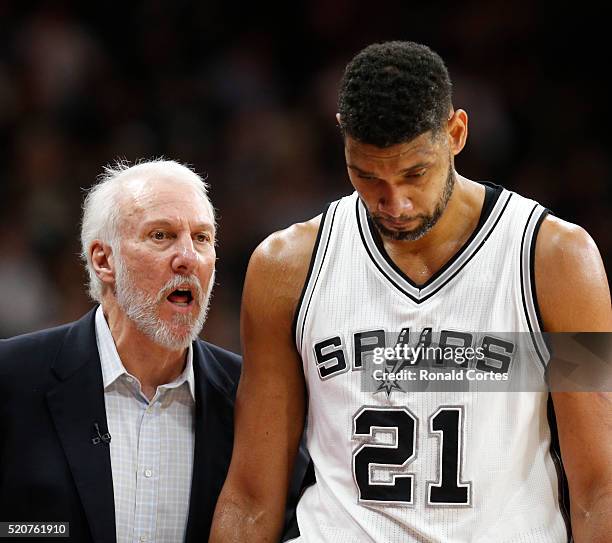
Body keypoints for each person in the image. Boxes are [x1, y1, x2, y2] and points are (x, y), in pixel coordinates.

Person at [210, 41, 612, 542]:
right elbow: (251, 495)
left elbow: (600, 484)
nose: (394, 202)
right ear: (343, 142)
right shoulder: (285, 269)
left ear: (456, 133)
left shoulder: (556, 262)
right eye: (367, 175)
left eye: (414, 174)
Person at [0, 160, 240, 542]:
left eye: (201, 238)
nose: (188, 258)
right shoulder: (12, 377)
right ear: (103, 260)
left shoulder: (250, 397)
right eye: (161, 235)